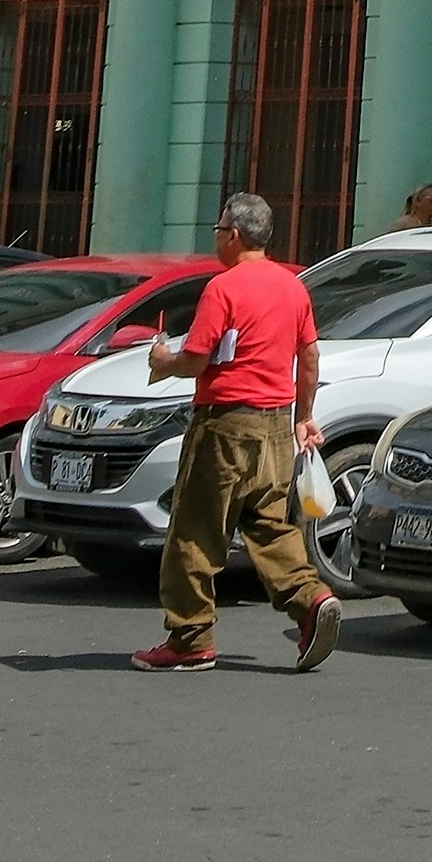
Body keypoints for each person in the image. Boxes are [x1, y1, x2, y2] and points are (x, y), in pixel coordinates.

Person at [135, 192, 338, 675]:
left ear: (234, 235)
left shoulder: (222, 289)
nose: (218, 238)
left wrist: (163, 360)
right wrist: (303, 416)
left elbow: (196, 360)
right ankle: (312, 600)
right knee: (269, 525)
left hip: (225, 423)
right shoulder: (293, 288)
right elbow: (308, 357)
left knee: (194, 531)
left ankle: (190, 638)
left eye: (219, 230)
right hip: (274, 425)